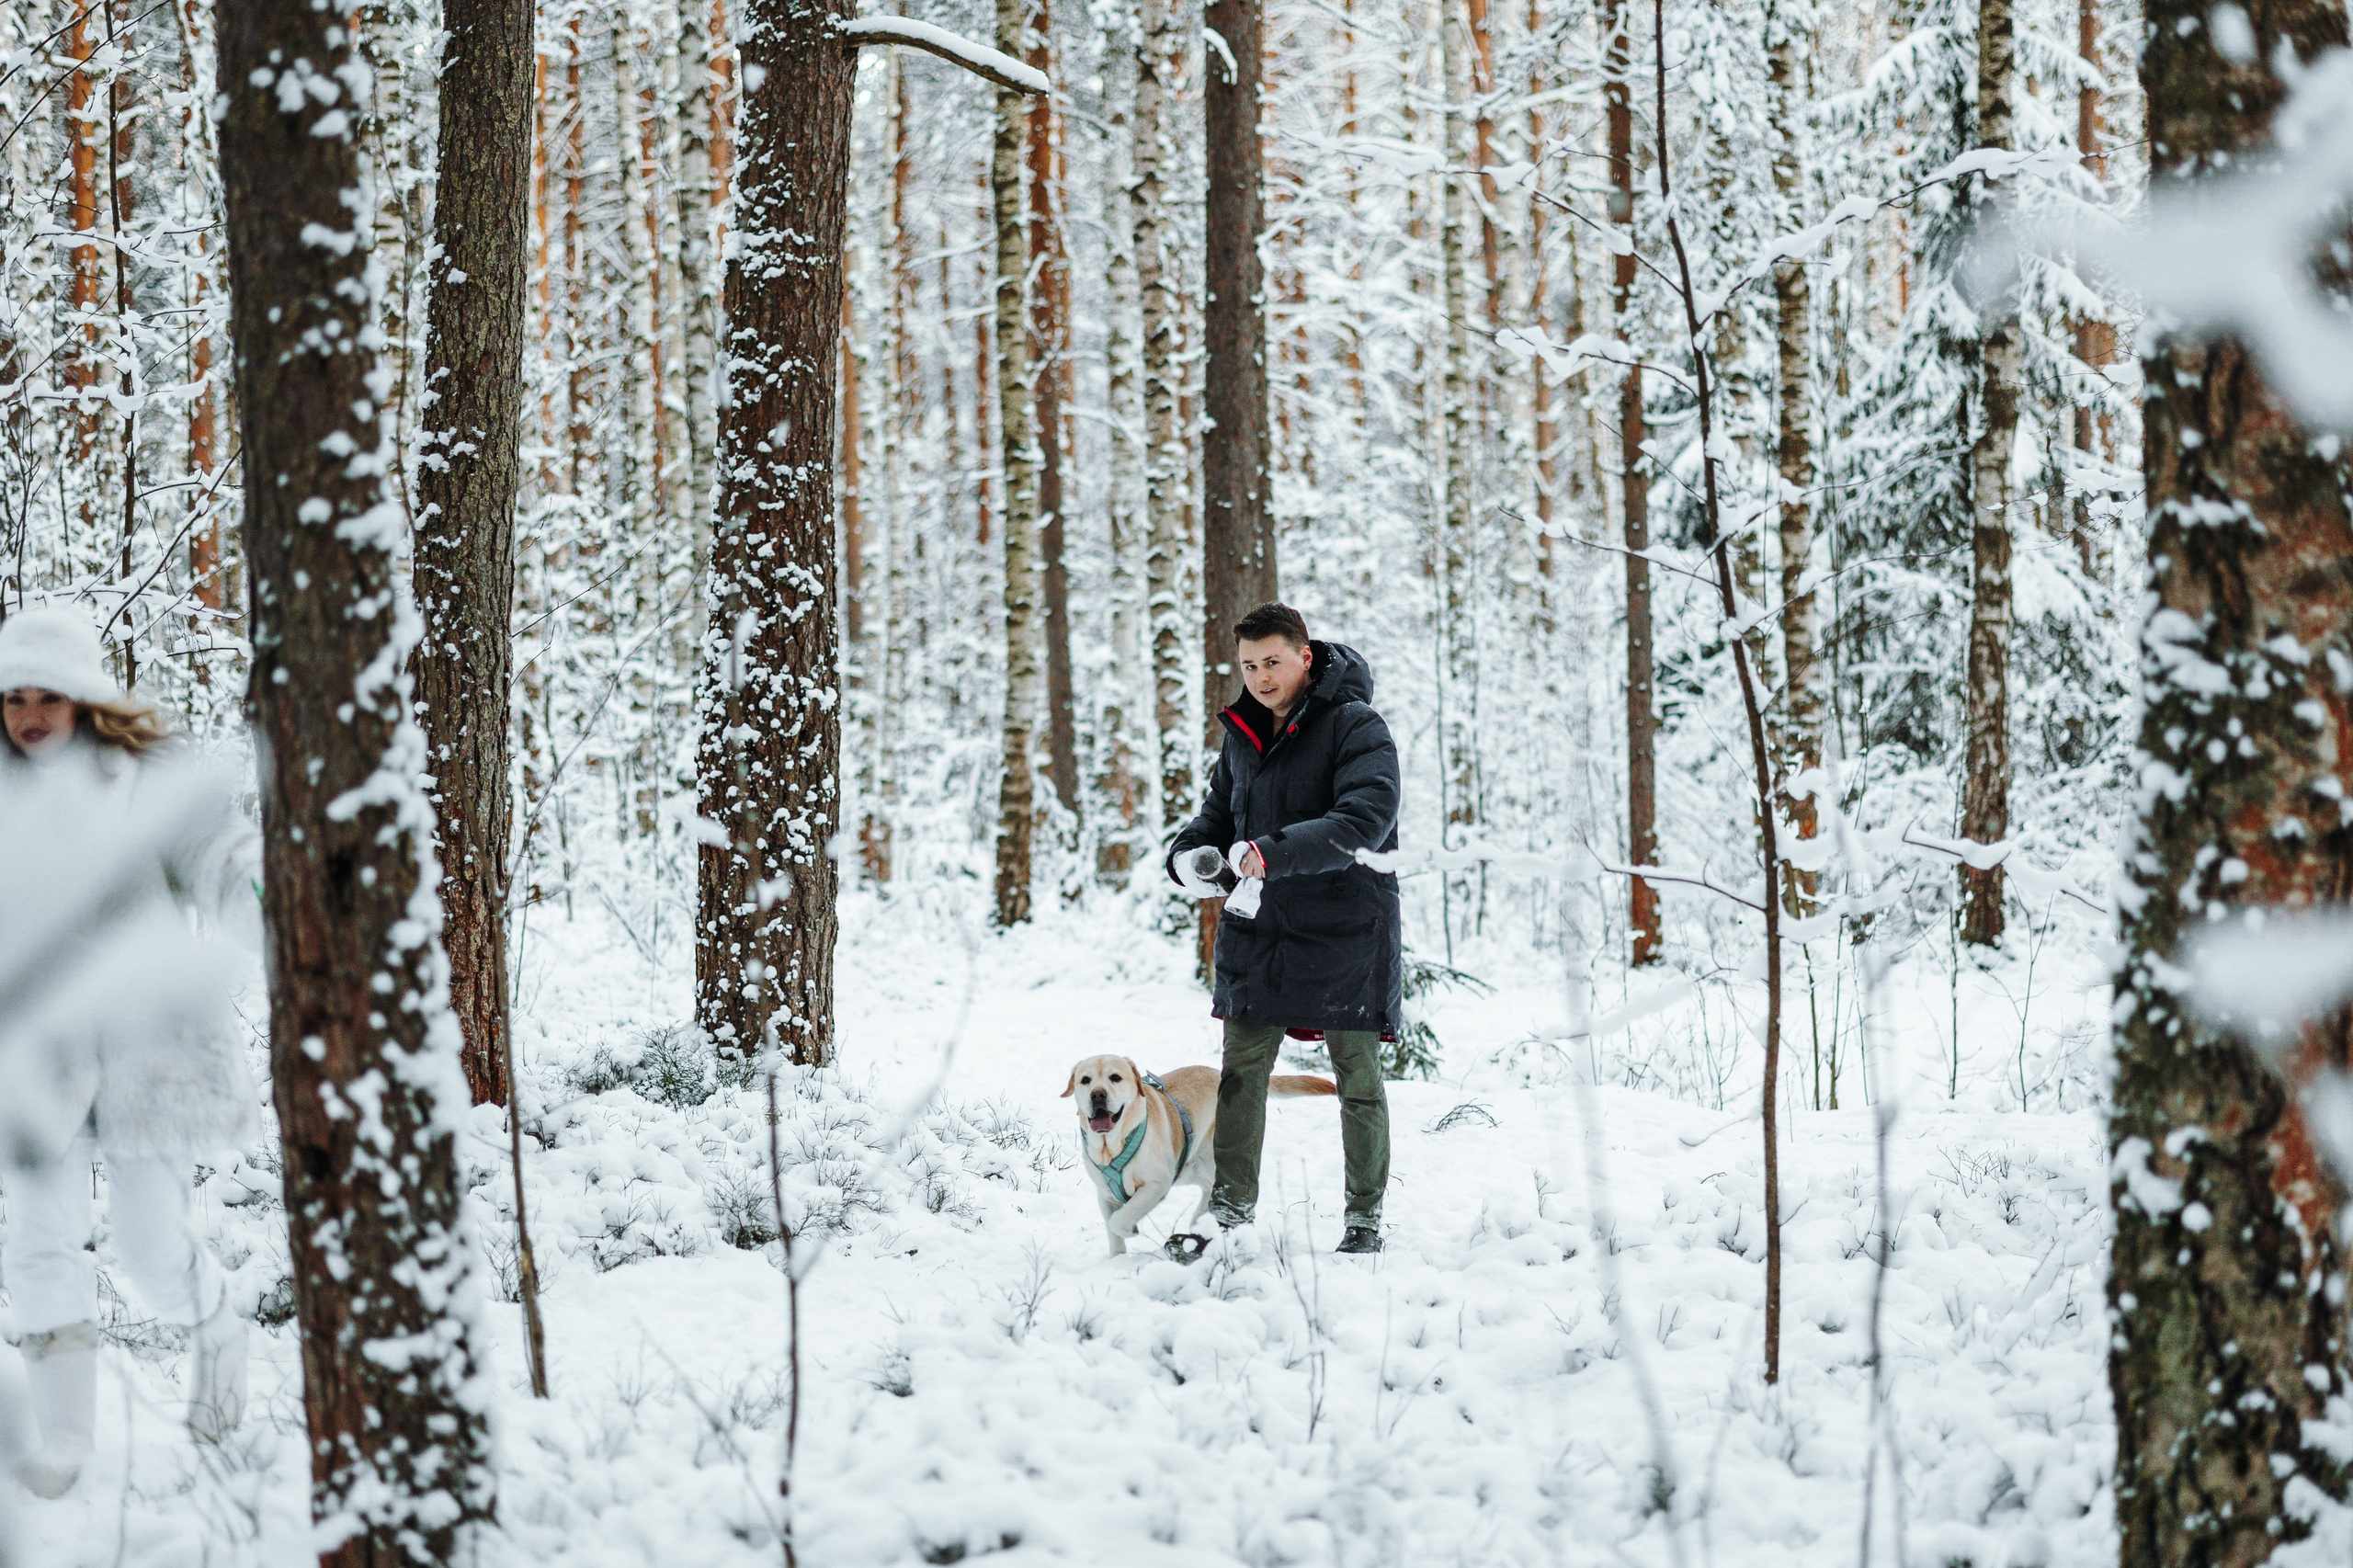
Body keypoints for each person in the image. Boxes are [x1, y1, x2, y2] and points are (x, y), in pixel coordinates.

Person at [0, 605, 259, 1496]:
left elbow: (225, 862)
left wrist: (273, 905)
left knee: (150, 1249)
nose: (31, 716)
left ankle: (218, 1326)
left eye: (49, 697)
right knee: (39, 1244)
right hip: (39, 1055)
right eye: (14, 698)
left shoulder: (147, 781)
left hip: (153, 1048)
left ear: (86, 699)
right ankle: (65, 1440)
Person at [1166, 602, 1403, 1255]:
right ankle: (1227, 1216)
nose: (1261, 678)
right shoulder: (1242, 732)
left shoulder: (1356, 725)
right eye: (1249, 666)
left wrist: (1271, 851)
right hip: (1260, 927)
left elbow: (1365, 820)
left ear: (1305, 655)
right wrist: (1188, 858)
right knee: (1240, 1077)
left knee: (1357, 1080)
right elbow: (1216, 816)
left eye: (1272, 662)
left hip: (1347, 927)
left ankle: (1364, 1221)